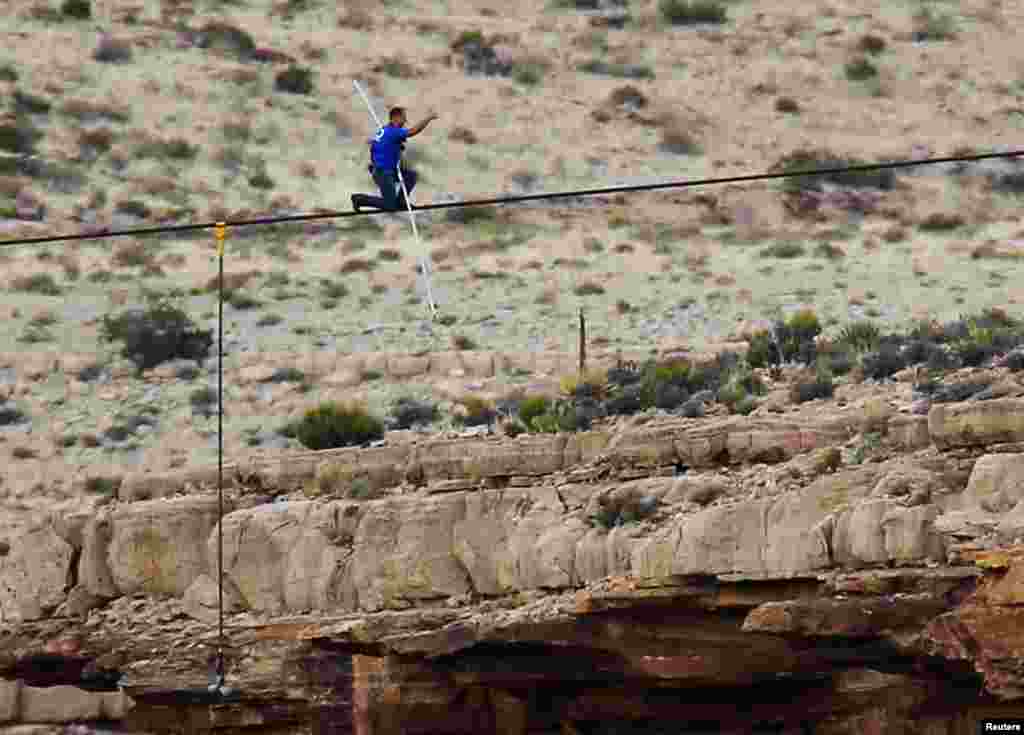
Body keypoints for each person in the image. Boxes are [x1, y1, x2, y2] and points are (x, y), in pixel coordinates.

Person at [351, 106, 438, 212]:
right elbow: (413, 131)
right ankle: (359, 199)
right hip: (383, 173)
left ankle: (401, 202)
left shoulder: (384, 130)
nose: (405, 121)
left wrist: (395, 147)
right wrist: (428, 118)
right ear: (395, 117)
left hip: (387, 171)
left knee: (411, 176)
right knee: (390, 206)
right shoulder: (393, 131)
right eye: (403, 118)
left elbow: (374, 148)